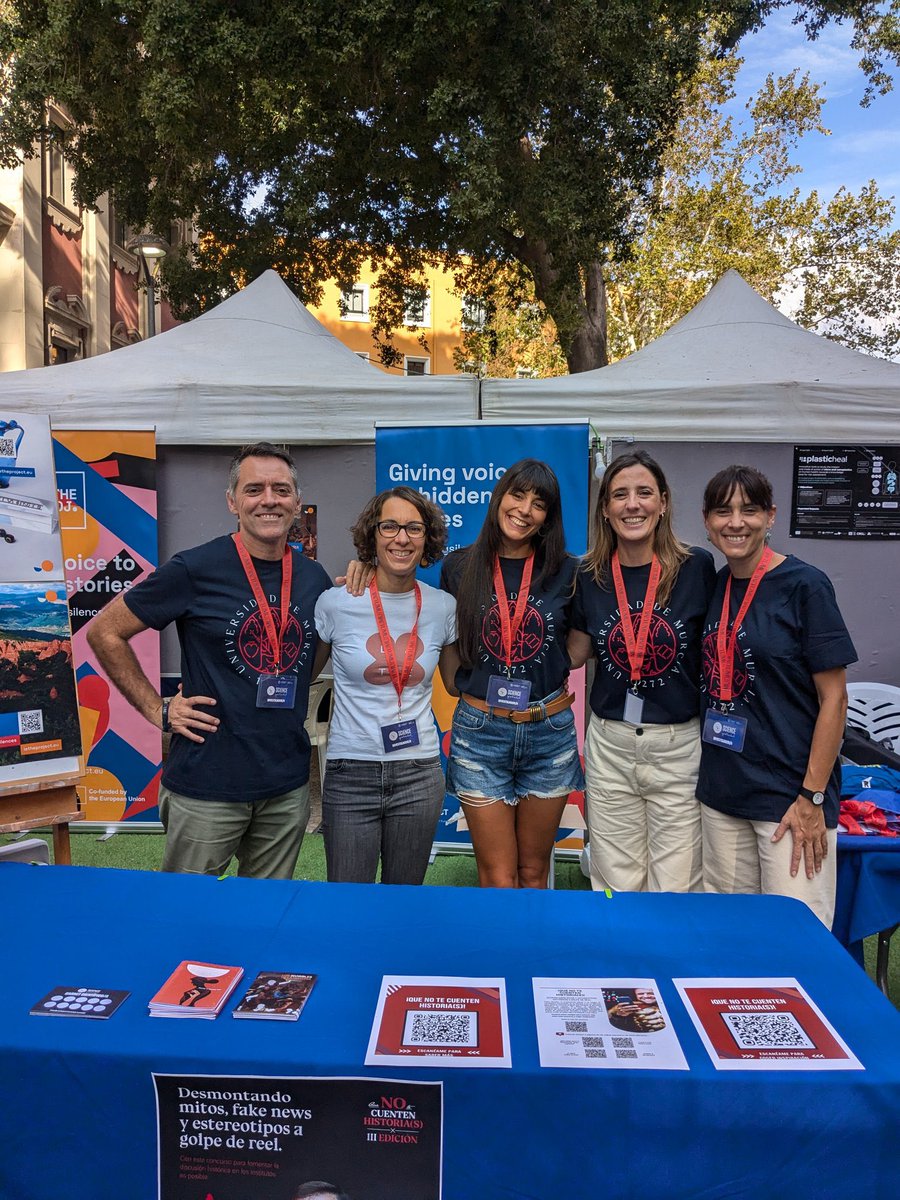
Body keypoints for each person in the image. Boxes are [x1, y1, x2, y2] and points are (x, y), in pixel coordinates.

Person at [87, 441, 330, 878]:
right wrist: (155, 707)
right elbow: (106, 631)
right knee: (189, 916)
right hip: (207, 783)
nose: (269, 500)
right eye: (254, 489)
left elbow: (313, 652)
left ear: (297, 500)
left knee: (264, 916)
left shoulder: (314, 578)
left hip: (285, 784)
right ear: (232, 501)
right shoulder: (194, 569)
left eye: (281, 489)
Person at [698, 464, 857, 927]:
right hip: (723, 794)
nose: (736, 522)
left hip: (790, 800)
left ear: (770, 516)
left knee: (795, 940)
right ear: (707, 522)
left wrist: (811, 796)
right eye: (723, 511)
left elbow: (835, 699)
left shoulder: (805, 585)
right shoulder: (717, 585)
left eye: (749, 510)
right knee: (729, 940)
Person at [568, 451, 715, 893]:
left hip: (677, 746)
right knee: (614, 878)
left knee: (676, 883)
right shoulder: (588, 575)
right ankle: (621, 964)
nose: (633, 504)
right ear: (606, 511)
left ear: (664, 502)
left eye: (644, 493)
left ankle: (665, 964)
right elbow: (574, 651)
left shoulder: (696, 568)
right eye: (620, 495)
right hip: (611, 743)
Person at [440, 459, 584, 889]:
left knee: (534, 872)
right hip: (481, 732)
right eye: (517, 495)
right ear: (499, 497)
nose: (524, 509)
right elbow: (450, 645)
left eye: (538, 503)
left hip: (548, 732)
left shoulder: (568, 571)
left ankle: (531, 955)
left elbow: (576, 650)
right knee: (499, 876)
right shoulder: (459, 567)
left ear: (548, 517)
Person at [314, 487, 457, 884]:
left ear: (427, 538)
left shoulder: (443, 606)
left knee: (403, 902)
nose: (401, 538)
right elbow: (304, 673)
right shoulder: (336, 602)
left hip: (418, 772)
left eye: (413, 528)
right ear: (372, 535)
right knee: (347, 901)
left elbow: (458, 683)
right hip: (350, 771)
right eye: (389, 526)